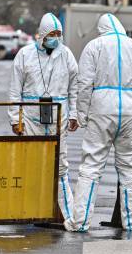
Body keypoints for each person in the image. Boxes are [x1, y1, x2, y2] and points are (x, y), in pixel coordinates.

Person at [64, 13, 132, 232]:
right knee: (130, 169)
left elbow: (84, 83)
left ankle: (79, 221)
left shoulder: (94, 46)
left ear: (101, 28)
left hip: (102, 110)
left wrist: (82, 114)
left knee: (91, 166)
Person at [8, 13, 79, 220]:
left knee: (61, 165)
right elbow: (15, 89)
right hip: (30, 116)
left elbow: (74, 87)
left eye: (58, 34)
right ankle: (29, 210)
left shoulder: (66, 55)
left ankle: (66, 214)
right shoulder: (25, 55)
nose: (55, 38)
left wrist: (74, 113)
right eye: (51, 34)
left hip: (59, 116)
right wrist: (15, 118)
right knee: (32, 161)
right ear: (42, 34)